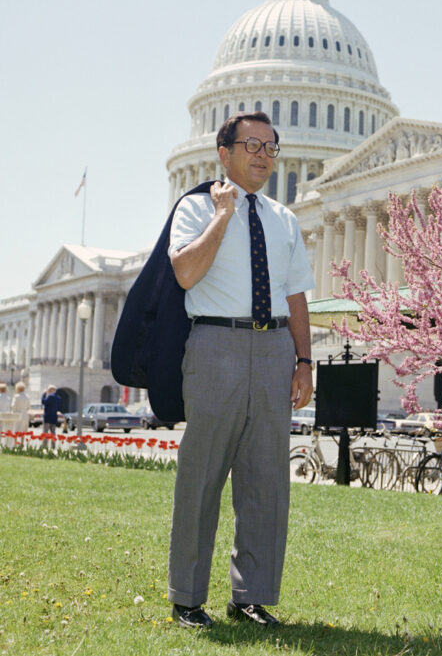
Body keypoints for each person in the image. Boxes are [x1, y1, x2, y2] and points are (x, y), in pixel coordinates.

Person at [165, 111, 314, 630]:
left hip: (273, 349)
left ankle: (251, 596)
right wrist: (222, 216)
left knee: (267, 481)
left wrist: (304, 361)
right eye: (251, 145)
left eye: (271, 148)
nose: (262, 155)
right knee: (202, 474)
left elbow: (295, 295)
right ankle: (187, 597)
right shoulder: (195, 207)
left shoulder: (284, 218)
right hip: (215, 346)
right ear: (224, 153)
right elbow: (185, 272)